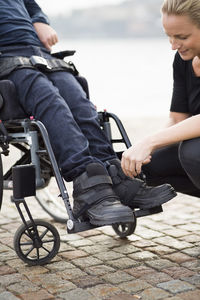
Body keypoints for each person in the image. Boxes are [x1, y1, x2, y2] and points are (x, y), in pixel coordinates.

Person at [0, 0, 176, 226]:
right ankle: (89, 189)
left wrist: (39, 21)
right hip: (7, 59)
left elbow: (31, 6)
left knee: (79, 103)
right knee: (52, 104)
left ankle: (112, 175)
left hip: (39, 53)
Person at [122, 0, 200, 198]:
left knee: (192, 152)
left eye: (181, 37)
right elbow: (177, 120)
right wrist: (142, 152)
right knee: (146, 166)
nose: (173, 45)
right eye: (169, 36)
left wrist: (150, 142)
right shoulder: (183, 59)